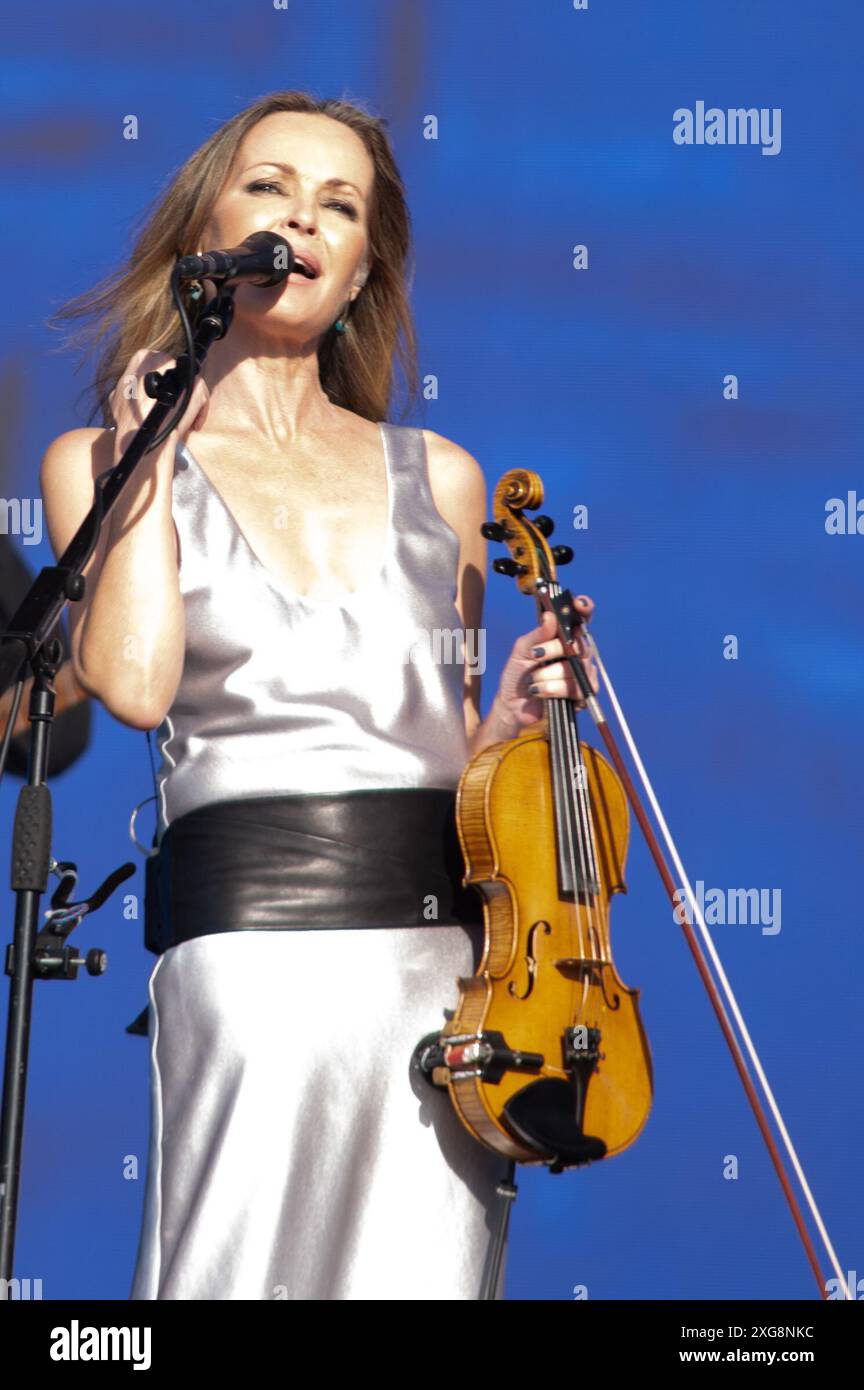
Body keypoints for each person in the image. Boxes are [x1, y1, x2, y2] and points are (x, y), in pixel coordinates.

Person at [39, 90, 597, 1301]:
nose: (301, 217)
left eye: (338, 205)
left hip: (438, 996)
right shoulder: (97, 463)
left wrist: (502, 727)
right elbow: (131, 685)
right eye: (270, 188)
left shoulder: (442, 479)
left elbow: (443, 766)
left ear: (357, 276)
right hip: (251, 979)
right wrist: (147, 454)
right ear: (209, 233)